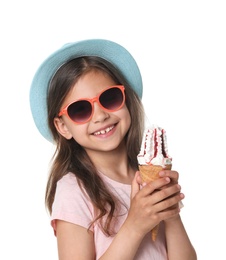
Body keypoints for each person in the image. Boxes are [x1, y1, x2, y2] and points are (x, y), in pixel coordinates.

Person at [30, 39, 197, 260]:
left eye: (110, 98)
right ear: (62, 126)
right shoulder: (73, 191)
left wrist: (171, 213)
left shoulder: (147, 178)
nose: (100, 116)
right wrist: (135, 226)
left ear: (125, 98)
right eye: (80, 109)